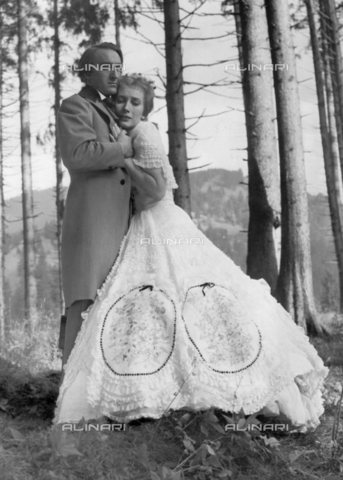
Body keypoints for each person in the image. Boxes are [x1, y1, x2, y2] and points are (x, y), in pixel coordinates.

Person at [53, 74, 328, 432]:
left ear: (145, 108)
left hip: (159, 220)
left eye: (135, 103)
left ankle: (218, 385)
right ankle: (151, 390)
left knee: (183, 294)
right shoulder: (126, 132)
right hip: (142, 224)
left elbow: (154, 190)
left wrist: (124, 161)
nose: (126, 107)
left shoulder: (143, 134)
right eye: (120, 100)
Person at [57, 43, 134, 369]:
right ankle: (72, 400)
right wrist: (123, 149)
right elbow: (78, 155)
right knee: (85, 299)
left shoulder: (115, 109)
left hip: (123, 223)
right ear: (87, 73)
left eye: (118, 66)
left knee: (117, 301)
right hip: (91, 222)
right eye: (106, 67)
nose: (115, 73)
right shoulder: (75, 106)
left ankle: (109, 391)